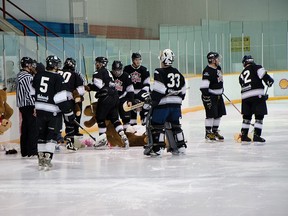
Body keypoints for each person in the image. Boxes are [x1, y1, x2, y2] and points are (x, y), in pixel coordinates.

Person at [32, 55, 75, 170]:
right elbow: (60, 99)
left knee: (41, 135)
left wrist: (36, 106)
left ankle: (40, 159)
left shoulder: (38, 75)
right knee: (52, 135)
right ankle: (47, 158)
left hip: (40, 110)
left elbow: (32, 92)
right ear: (55, 65)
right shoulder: (58, 78)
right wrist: (69, 112)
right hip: (53, 112)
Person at [144, 49, 187, 156]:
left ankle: (158, 148)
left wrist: (153, 101)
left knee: (157, 125)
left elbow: (159, 89)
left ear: (163, 59)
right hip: (176, 106)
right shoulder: (178, 72)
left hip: (163, 105)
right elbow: (183, 91)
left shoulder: (159, 71)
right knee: (175, 125)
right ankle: (181, 146)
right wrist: (177, 99)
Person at [86, 57, 129, 148]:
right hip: (115, 97)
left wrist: (89, 87)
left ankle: (102, 140)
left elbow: (98, 86)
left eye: (98, 63)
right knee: (114, 119)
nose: (96, 64)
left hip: (106, 98)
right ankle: (123, 136)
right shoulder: (108, 72)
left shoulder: (98, 72)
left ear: (102, 64)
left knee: (100, 118)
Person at [239, 55, 274, 143]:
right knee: (259, 116)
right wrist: (269, 81)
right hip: (256, 95)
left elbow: (243, 84)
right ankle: (257, 136)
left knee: (246, 117)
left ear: (244, 63)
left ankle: (244, 135)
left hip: (245, 97)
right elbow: (264, 76)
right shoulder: (256, 67)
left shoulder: (241, 74)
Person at [58, 57, 85, 151]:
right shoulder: (75, 74)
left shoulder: (57, 72)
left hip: (55, 101)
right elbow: (81, 91)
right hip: (68, 101)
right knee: (71, 120)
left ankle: (55, 140)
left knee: (56, 121)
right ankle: (72, 142)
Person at [200, 51, 226, 142]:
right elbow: (204, 87)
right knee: (211, 115)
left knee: (218, 114)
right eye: (217, 59)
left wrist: (221, 90)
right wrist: (206, 97)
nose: (219, 60)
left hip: (218, 95)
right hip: (210, 96)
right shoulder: (207, 71)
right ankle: (208, 132)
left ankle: (214, 131)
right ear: (213, 60)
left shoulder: (218, 68)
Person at [16, 57, 38, 158]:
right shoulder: (27, 77)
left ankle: (24, 151)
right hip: (28, 105)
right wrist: (34, 105)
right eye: (31, 65)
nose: (32, 66)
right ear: (28, 65)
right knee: (32, 128)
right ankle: (32, 151)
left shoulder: (20, 75)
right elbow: (30, 93)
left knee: (25, 127)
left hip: (22, 105)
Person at [123, 53, 150, 125]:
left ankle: (145, 127)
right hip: (130, 93)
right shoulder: (126, 69)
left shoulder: (144, 70)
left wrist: (140, 95)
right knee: (132, 114)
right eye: (136, 60)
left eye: (139, 59)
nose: (138, 61)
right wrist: (130, 95)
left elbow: (147, 84)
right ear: (132, 60)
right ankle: (132, 128)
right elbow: (124, 83)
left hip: (141, 94)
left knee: (144, 112)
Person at [111, 60, 134, 130]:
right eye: (115, 70)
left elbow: (130, 90)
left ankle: (127, 132)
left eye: (118, 70)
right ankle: (117, 133)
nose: (117, 72)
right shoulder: (109, 75)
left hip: (123, 99)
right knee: (113, 118)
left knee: (126, 118)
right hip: (112, 100)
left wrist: (130, 100)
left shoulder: (126, 76)